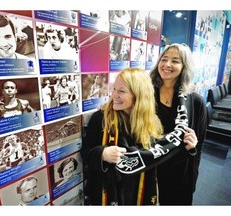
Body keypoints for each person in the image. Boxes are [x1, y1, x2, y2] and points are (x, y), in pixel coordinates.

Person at [81, 68, 198, 205]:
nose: (114, 95)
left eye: (122, 91)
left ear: (138, 95)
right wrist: (102, 154)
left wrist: (187, 147)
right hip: (108, 192)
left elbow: (161, 161)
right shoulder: (101, 118)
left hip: (139, 193)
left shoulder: (152, 122)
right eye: (114, 89)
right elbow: (86, 153)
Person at [149, 43, 207, 205]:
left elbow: (199, 145)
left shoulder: (195, 102)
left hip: (179, 171)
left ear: (184, 66)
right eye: (164, 59)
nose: (167, 65)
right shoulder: (146, 95)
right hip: (149, 164)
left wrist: (193, 147)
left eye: (175, 61)